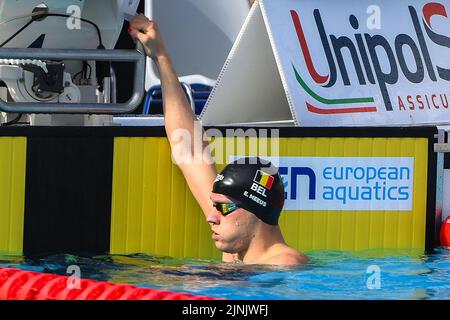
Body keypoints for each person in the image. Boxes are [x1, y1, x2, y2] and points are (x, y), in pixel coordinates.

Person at [128, 14, 308, 265]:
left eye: (222, 208)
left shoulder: (286, 264)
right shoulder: (236, 249)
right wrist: (161, 56)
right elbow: (188, 150)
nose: (211, 217)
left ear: (255, 211)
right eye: (215, 206)